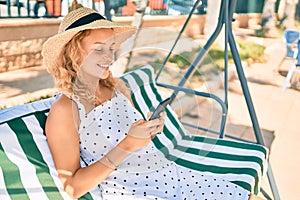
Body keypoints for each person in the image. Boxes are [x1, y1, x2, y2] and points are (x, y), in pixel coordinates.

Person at [43, 7, 263, 200]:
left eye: (111, 48)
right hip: (133, 191)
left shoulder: (117, 87)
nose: (109, 57)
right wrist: (128, 145)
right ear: (73, 52)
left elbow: (131, 135)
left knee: (251, 197)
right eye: (99, 48)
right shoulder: (65, 110)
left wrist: (149, 128)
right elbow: (72, 188)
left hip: (168, 173)